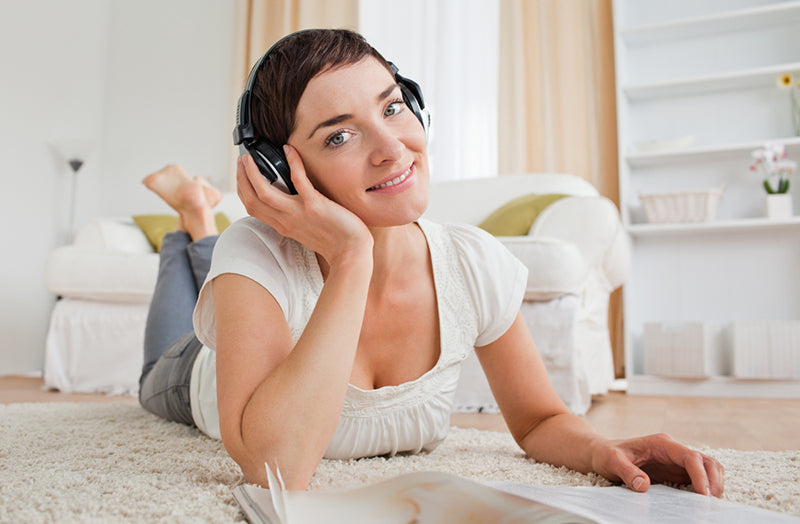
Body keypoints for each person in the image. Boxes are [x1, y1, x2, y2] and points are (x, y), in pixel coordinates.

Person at [139, 28, 724, 495]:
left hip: (272, 279)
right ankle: (192, 222)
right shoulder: (257, 249)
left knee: (232, 261)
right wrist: (351, 258)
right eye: (339, 137)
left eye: (393, 107)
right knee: (185, 316)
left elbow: (539, 419)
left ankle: (197, 220)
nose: (393, 147)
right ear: (280, 172)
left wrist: (605, 451)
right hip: (190, 373)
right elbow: (279, 473)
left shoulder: (472, 265)